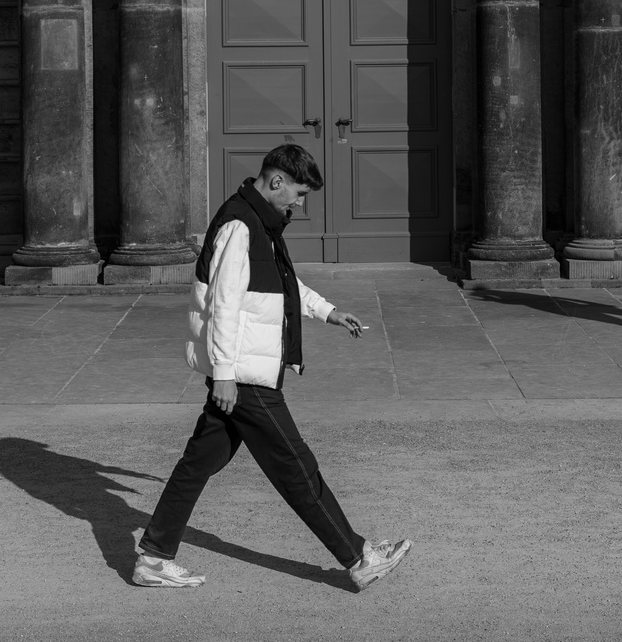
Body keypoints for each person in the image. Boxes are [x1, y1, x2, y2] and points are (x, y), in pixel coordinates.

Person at [133, 144, 412, 591]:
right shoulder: (240, 226)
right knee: (295, 465)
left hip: (243, 369)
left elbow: (282, 282)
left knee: (198, 462)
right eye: (298, 194)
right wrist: (224, 373)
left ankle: (152, 556)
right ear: (275, 180)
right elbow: (223, 304)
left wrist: (327, 311)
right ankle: (358, 557)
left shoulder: (259, 222)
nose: (300, 204)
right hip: (244, 375)